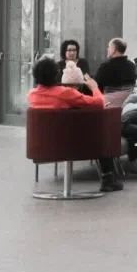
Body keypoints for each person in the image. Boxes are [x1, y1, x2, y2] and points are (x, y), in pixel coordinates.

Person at [27, 56, 123, 193]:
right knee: (100, 132)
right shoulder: (65, 93)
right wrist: (94, 88)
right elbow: (99, 103)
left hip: (42, 146)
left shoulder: (32, 96)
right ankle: (108, 178)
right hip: (71, 145)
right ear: (56, 75)